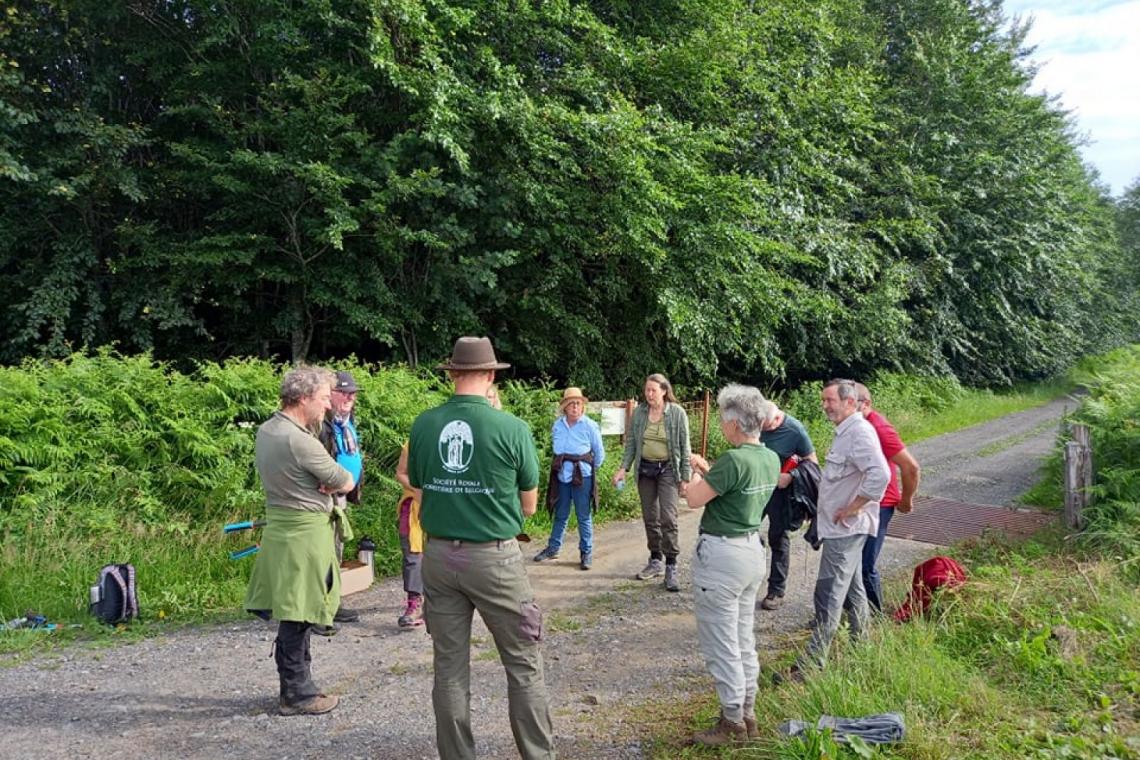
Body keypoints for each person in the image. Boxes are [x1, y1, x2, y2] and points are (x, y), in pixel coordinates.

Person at [407, 336, 555, 760]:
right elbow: (528, 506)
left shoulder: (424, 424)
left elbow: (418, 488)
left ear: (452, 374)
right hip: (494, 558)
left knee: (449, 668)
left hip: (437, 557)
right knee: (523, 662)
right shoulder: (511, 428)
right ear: (491, 375)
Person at [244, 367, 356, 716]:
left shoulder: (268, 430)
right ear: (304, 398)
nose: (326, 406)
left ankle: (296, 687)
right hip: (305, 535)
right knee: (299, 613)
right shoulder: (300, 440)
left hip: (283, 531)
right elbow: (345, 479)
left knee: (297, 609)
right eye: (323, 399)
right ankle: (297, 693)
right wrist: (332, 482)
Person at [683, 385, 779, 746]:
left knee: (721, 643)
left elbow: (694, 498)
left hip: (722, 557)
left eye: (725, 420)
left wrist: (695, 476)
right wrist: (710, 472)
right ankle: (747, 713)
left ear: (736, 424)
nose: (723, 426)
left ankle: (732, 722)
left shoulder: (734, 460)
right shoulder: (767, 458)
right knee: (742, 638)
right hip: (752, 549)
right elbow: (736, 488)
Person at [791, 379, 889, 676]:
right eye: (823, 400)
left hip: (847, 529)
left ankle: (811, 666)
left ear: (850, 402)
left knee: (829, 593)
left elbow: (881, 474)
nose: (825, 406)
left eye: (829, 400)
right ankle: (863, 650)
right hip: (841, 528)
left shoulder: (859, 433)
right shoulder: (847, 431)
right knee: (853, 591)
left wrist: (854, 506)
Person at [611, 373, 692, 592]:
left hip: (668, 470)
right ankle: (655, 559)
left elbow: (685, 448)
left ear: (664, 391)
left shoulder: (677, 414)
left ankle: (671, 565)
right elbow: (631, 444)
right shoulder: (639, 413)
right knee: (650, 517)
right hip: (645, 469)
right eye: (646, 390)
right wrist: (623, 468)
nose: (649, 394)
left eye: (653, 390)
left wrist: (685, 478)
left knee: (668, 517)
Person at [854, 382, 922, 612]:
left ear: (866, 404)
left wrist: (906, 500)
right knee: (849, 561)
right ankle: (851, 610)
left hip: (880, 504)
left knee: (865, 565)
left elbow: (911, 467)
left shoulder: (879, 427)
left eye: (853, 404)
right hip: (859, 502)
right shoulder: (854, 426)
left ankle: (875, 616)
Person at [755, 400, 818, 611]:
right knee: (744, 529)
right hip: (756, 488)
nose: (762, 429)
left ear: (777, 418)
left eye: (766, 426)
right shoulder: (756, 423)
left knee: (778, 537)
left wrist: (790, 476)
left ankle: (776, 590)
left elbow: (812, 463)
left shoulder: (795, 430)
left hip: (781, 493)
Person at [534, 387, 606, 570]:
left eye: (578, 403)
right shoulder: (558, 425)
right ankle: (553, 547)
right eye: (571, 403)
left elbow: (599, 454)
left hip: (583, 476)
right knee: (561, 514)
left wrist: (589, 468)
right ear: (565, 407)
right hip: (562, 475)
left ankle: (586, 551)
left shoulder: (589, 425)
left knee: (583, 515)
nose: (575, 407)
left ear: (582, 407)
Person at [316, 370, 364, 633]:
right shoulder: (319, 422)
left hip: (340, 496)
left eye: (352, 393)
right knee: (321, 551)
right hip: (322, 496)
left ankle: (332, 603)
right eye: (344, 392)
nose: (349, 397)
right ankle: (317, 611)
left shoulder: (346, 420)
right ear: (330, 394)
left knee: (336, 550)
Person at [393, 443, 425, 628]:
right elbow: (401, 473)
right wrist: (421, 492)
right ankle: (414, 604)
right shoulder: (413, 442)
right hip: (413, 504)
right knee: (412, 554)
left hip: (445, 505)